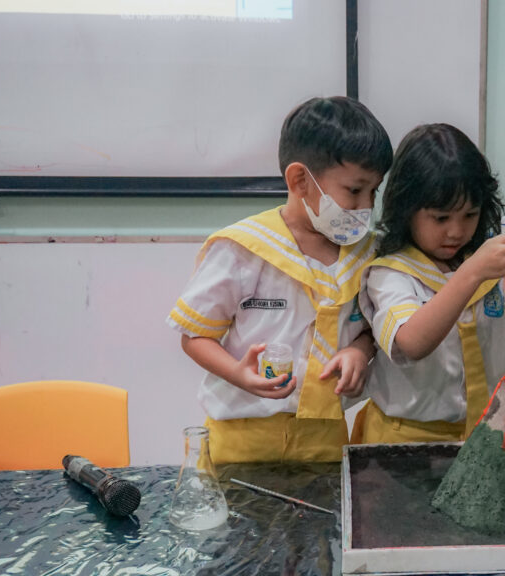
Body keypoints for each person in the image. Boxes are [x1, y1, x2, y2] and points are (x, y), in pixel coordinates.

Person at [166, 96, 393, 465]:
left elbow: (372, 328)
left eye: (374, 191)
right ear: (300, 180)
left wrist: (360, 351)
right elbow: (195, 336)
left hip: (326, 440)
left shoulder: (366, 255)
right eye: (354, 190)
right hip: (242, 438)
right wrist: (237, 374)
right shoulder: (243, 249)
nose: (365, 206)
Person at [354, 123, 505, 445]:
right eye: (440, 218)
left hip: (484, 433)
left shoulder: (486, 258)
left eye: (470, 215)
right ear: (407, 211)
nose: (456, 231)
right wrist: (472, 273)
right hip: (405, 440)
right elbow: (412, 344)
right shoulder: (390, 272)